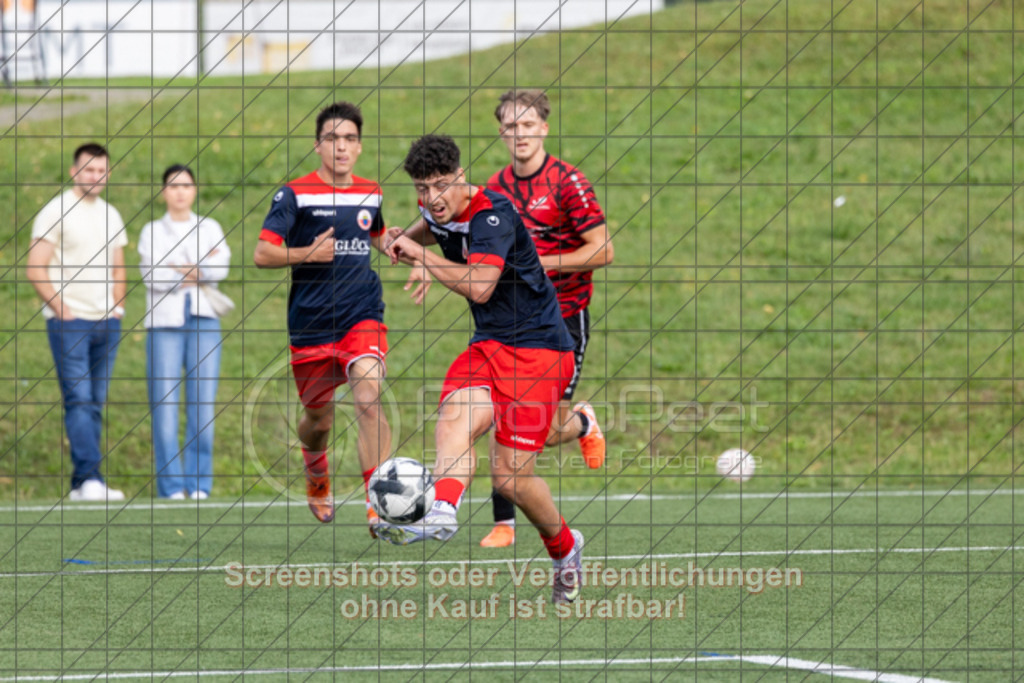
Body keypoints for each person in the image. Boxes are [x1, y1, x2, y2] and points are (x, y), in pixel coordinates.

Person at [381, 134, 584, 605]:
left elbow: (480, 288)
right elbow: (432, 225)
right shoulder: (437, 207)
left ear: (460, 177)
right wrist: (402, 238)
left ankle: (565, 549)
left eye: (439, 186)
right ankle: (443, 510)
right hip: (490, 344)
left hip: (540, 352)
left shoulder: (495, 216)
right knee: (455, 416)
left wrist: (423, 259)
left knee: (510, 479)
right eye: (420, 188)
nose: (431, 198)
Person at [253, 101, 421, 530]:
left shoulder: (371, 191)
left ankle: (377, 502)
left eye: (349, 139)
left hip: (361, 314)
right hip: (310, 323)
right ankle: (315, 468)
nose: (341, 147)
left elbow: (379, 236)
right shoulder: (293, 194)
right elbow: (263, 253)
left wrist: (411, 252)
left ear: (360, 147)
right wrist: (307, 253)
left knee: (368, 394)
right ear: (317, 146)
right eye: (332, 139)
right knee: (318, 419)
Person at [479, 89, 614, 548]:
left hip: (563, 320)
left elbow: (603, 250)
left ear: (544, 128)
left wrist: (543, 264)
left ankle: (582, 423)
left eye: (528, 125)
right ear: (501, 132)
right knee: (500, 409)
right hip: (513, 319)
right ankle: (504, 522)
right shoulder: (495, 189)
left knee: (538, 427)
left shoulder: (567, 182)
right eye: (511, 126)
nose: (519, 134)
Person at [26, 142, 127, 501]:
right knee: (80, 400)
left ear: (108, 174)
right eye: (88, 170)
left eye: (101, 171)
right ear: (74, 171)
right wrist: (62, 309)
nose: (95, 176)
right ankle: (90, 479)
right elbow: (35, 267)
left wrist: (118, 306)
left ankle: (81, 484)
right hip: (69, 323)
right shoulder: (55, 212)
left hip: (107, 323)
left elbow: (118, 265)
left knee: (95, 401)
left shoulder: (111, 214)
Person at [139, 165, 230, 500]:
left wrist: (182, 268)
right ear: (164, 191)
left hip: (204, 321)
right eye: (173, 186)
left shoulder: (210, 227)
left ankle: (198, 483)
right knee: (165, 407)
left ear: (194, 190)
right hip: (163, 325)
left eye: (186, 185)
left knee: (202, 406)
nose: (179, 192)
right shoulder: (151, 231)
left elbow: (220, 268)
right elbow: (152, 275)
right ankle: (172, 486)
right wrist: (195, 271)